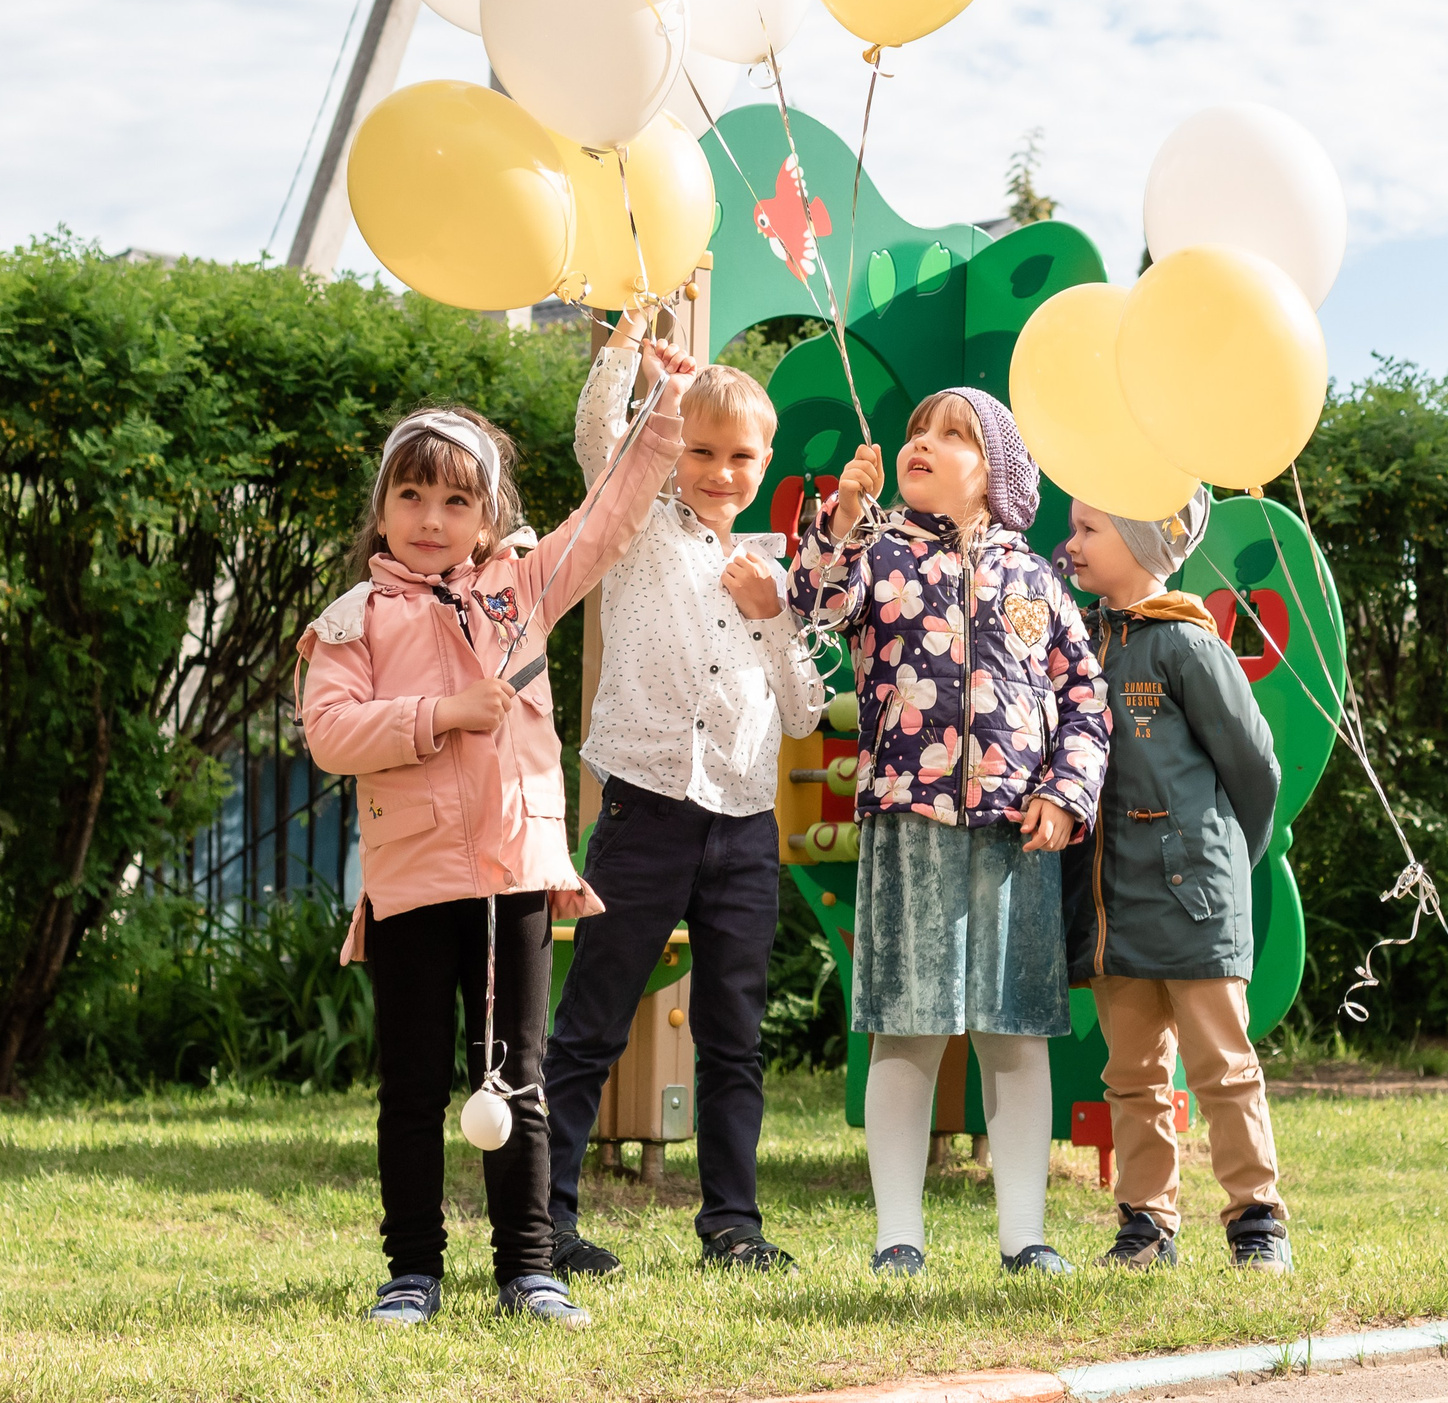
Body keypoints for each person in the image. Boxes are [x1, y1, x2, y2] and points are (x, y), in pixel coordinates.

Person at [298, 356, 695, 1330]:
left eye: (454, 500)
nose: (431, 517)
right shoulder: (356, 620)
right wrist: (438, 713)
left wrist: (662, 415)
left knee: (514, 1069)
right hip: (410, 882)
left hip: (512, 872)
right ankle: (412, 1273)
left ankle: (527, 1268)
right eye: (411, 494)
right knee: (414, 1084)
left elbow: (605, 519)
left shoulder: (521, 589)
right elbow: (330, 733)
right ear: (382, 508)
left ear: (486, 514)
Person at [788, 388, 1112, 1276]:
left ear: (995, 472)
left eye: (951, 435)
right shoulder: (878, 552)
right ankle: (899, 1236)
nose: (921, 443)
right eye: (916, 432)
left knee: (1015, 1032)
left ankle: (1025, 1236)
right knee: (907, 1027)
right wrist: (844, 517)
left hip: (1017, 833)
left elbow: (1085, 699)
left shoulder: (1036, 578)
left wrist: (1066, 792)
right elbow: (811, 599)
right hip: (908, 818)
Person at [544, 317, 827, 1278]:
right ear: (672, 452)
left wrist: (776, 617)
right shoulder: (633, 526)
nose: (719, 470)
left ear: (766, 460)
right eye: (700, 451)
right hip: (645, 810)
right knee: (593, 1019)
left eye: (739, 455)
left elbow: (804, 712)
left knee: (734, 1036)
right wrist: (627, 353)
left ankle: (732, 1224)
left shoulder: (771, 568)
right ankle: (546, 1220)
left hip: (744, 825)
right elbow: (597, 438)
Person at [1056, 493, 1292, 1273]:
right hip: (1114, 904)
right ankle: (1146, 1222)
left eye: (1090, 528)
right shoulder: (1081, 641)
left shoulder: (1187, 646)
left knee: (1223, 1065)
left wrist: (1223, 866)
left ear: (1141, 541)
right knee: (1132, 1074)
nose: (1073, 541)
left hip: (1195, 899)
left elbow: (1254, 768)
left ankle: (1256, 1218)